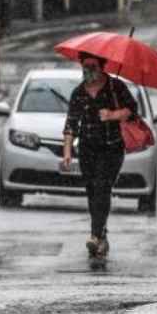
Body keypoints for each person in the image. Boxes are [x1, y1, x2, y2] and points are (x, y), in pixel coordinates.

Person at [61, 52, 139, 260]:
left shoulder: (116, 87)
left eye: (93, 66)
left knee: (103, 186)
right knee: (92, 191)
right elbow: (71, 124)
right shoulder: (78, 93)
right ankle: (101, 235)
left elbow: (133, 110)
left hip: (112, 148)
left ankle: (95, 235)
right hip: (87, 149)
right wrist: (67, 152)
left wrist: (112, 115)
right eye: (84, 66)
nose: (88, 71)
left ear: (102, 67)